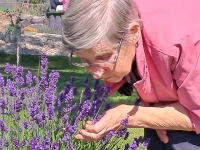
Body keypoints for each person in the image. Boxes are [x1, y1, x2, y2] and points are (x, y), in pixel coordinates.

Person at [62, 0, 200, 149]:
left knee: (182, 141)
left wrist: (129, 115)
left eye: (104, 57)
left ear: (133, 32)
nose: (96, 74)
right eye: (85, 60)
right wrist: (156, 115)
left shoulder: (183, 40)